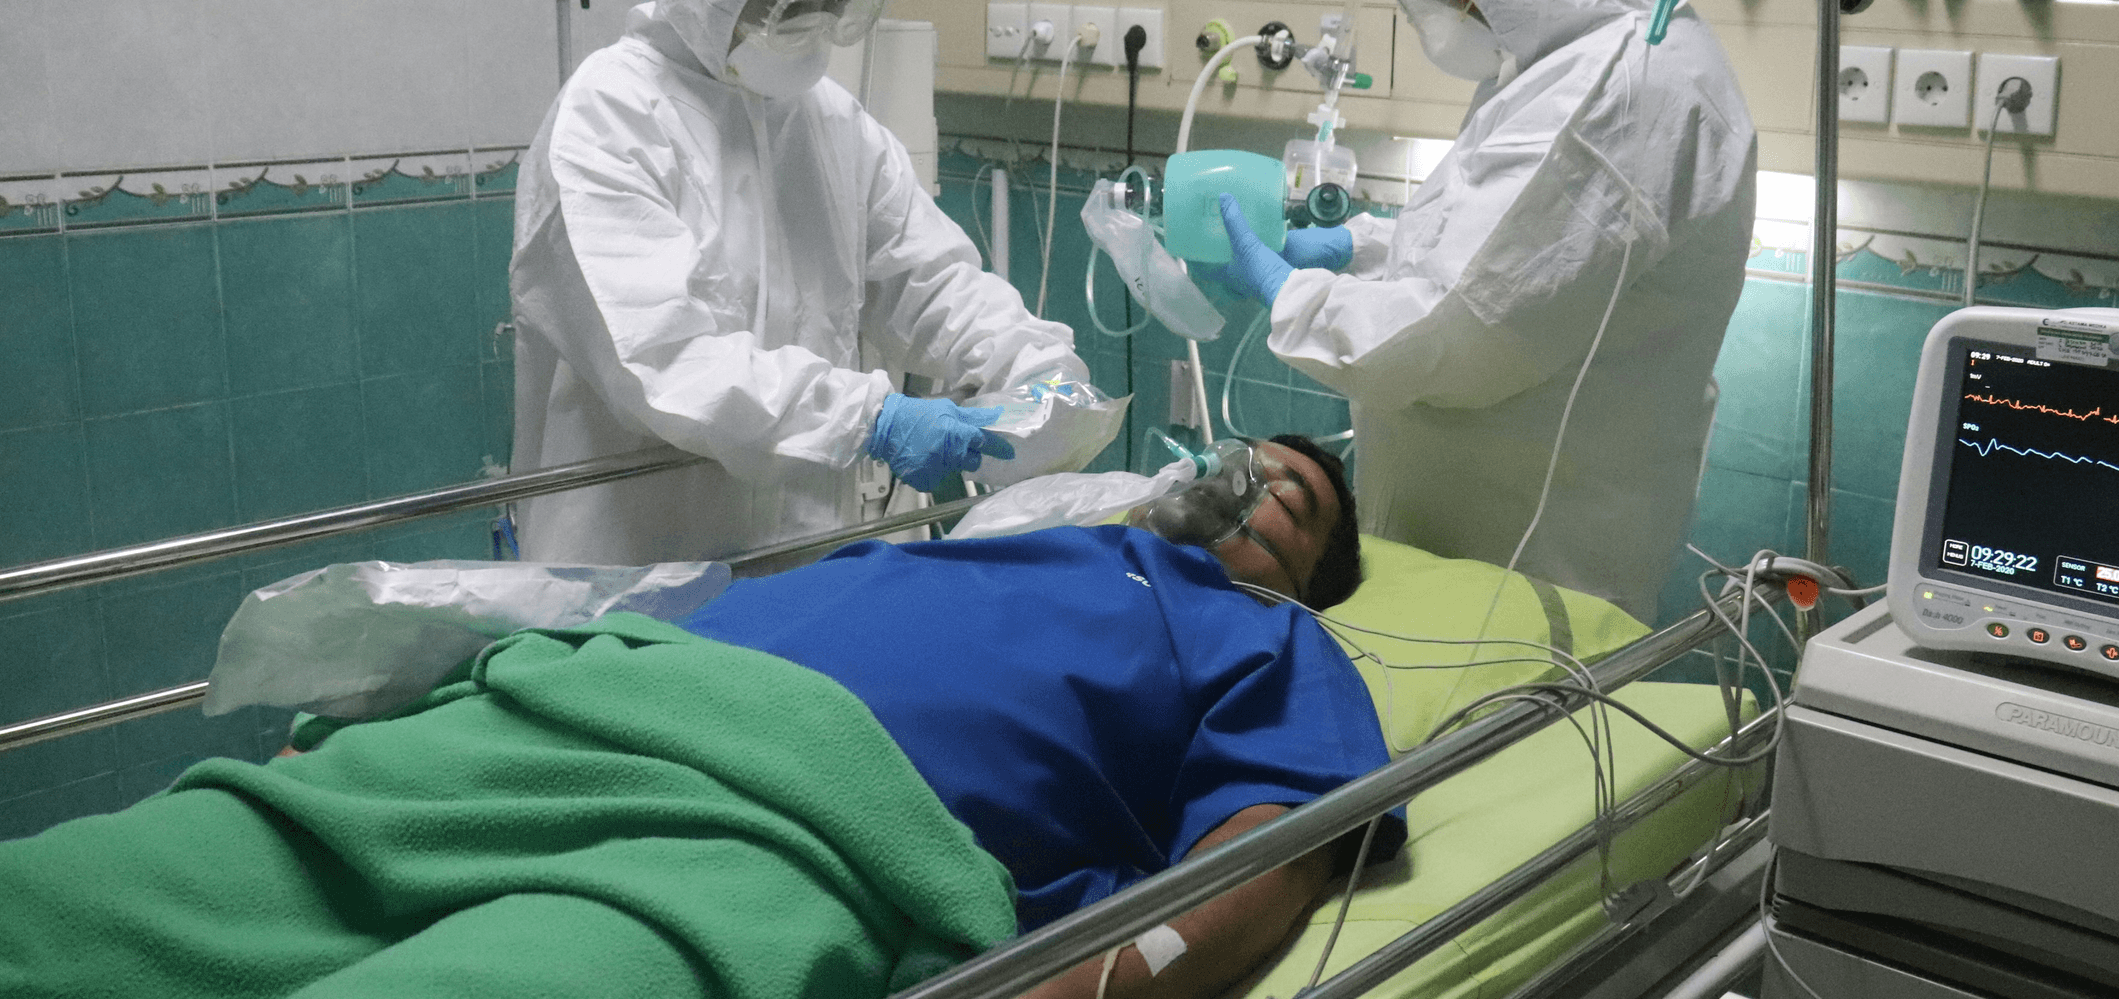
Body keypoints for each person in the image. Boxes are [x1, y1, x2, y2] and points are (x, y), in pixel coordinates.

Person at [0, 436, 1400, 999]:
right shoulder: (1002, 535)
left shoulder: (1268, 639)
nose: (1253, 483)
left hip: (782, 830)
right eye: (1247, 459)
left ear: (1311, 575)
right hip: (558, 712)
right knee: (74, 900)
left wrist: (1086, 983)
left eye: (1296, 498)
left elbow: (1279, 846)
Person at [1213, 0, 1757, 622]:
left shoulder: (1618, 95)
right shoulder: (1564, 59)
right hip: (1467, 558)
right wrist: (1358, 250)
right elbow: (1495, 251)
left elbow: (1457, 331)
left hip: (1535, 571)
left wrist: (1289, 294)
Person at [511, 0, 1089, 566]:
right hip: (638, 578)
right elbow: (667, 363)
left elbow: (931, 280)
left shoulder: (830, 126)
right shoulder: (608, 120)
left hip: (808, 558)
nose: (815, 30)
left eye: (834, 3)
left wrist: (1029, 366)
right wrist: (871, 419)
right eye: (789, 6)